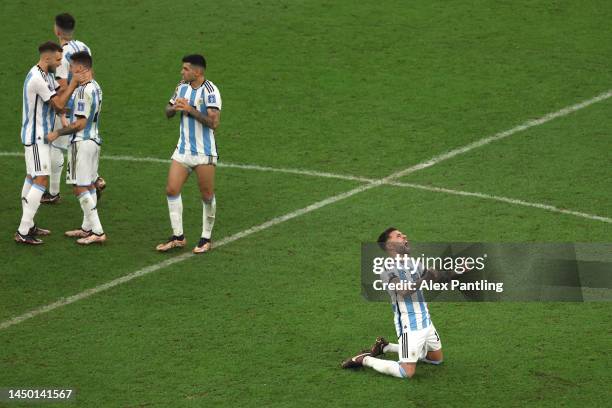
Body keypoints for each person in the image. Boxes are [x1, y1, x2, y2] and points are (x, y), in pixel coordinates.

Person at [341, 227, 448, 378]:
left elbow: (436, 277)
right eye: (399, 236)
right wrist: (426, 278)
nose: (405, 237)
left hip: (426, 321)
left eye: (403, 234)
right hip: (409, 324)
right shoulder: (387, 269)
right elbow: (403, 291)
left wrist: (460, 271)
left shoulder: (413, 263)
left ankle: (385, 347)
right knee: (406, 372)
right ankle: (365, 359)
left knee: (436, 360)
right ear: (390, 245)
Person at [156, 54, 222, 254]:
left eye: (185, 69)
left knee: (207, 194)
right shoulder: (181, 87)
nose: (181, 72)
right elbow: (168, 111)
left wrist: (191, 109)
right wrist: (173, 108)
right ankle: (178, 237)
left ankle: (206, 238)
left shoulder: (210, 91)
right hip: (182, 150)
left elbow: (214, 123)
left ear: (198, 72)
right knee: (171, 189)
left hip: (204, 152)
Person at [15, 41, 80, 245]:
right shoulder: (37, 78)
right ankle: (23, 230)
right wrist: (73, 83)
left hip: (40, 135)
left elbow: (57, 106)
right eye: (58, 60)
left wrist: (79, 115)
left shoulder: (46, 75)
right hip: (35, 137)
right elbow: (58, 103)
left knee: (32, 176)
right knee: (41, 179)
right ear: (47, 58)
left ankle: (29, 223)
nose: (60, 64)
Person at [42, 13, 106, 203]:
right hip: (86, 103)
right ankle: (95, 179)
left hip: (70, 106)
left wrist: (58, 108)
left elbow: (62, 85)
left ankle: (53, 193)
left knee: (56, 145)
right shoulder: (84, 46)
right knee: (82, 143)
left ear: (57, 30)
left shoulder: (61, 54)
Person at [46, 51, 106, 245]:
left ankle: (97, 231)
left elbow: (80, 123)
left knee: (79, 186)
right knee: (87, 184)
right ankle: (86, 228)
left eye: (71, 67)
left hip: (81, 142)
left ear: (80, 68)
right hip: (94, 141)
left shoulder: (83, 90)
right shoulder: (96, 87)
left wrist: (58, 133)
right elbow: (82, 111)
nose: (70, 70)